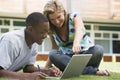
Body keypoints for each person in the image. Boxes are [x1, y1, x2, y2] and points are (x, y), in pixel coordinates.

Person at [43, 0, 110, 76]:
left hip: (85, 55)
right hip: (67, 58)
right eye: (52, 19)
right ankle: (93, 71)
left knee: (98, 49)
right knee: (52, 54)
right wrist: (45, 68)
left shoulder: (74, 16)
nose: (57, 21)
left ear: (64, 13)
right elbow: (54, 48)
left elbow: (79, 29)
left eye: (59, 17)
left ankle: (70, 69)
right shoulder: (51, 29)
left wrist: (76, 42)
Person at [0, 12, 62, 80]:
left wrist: (46, 71)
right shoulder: (11, 41)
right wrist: (26, 76)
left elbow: (28, 67)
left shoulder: (34, 42)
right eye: (42, 32)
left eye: (46, 32)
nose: (45, 36)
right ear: (30, 29)